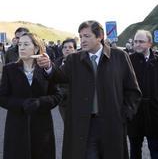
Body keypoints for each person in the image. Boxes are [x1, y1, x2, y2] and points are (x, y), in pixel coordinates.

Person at [36, 20, 142, 159]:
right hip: (85, 126)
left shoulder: (120, 57)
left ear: (100, 36)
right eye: (80, 37)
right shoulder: (73, 60)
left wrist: (124, 115)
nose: (82, 40)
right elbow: (59, 77)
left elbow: (133, 91)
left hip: (112, 124)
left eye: (87, 36)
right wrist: (48, 66)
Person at [0, 32, 63, 159]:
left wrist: (40, 102)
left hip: (42, 127)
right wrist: (21, 104)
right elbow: (2, 98)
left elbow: (57, 95)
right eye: (19, 44)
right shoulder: (9, 69)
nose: (21, 47)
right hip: (17, 126)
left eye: (26, 44)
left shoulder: (46, 69)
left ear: (36, 48)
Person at [128, 30, 158, 159]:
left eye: (141, 41)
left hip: (154, 113)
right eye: (136, 41)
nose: (137, 44)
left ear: (150, 43)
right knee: (134, 150)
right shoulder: (128, 60)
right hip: (135, 114)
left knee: (156, 150)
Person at [54, 38, 77, 121]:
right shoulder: (57, 63)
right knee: (67, 126)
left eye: (70, 47)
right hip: (63, 102)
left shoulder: (80, 63)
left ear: (75, 50)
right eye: (65, 47)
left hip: (76, 101)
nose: (67, 49)